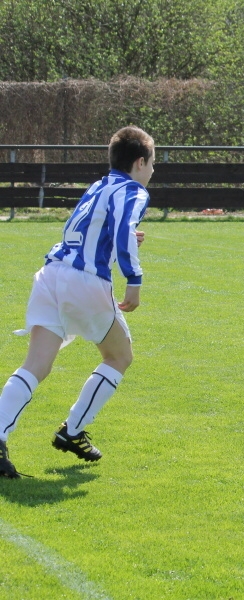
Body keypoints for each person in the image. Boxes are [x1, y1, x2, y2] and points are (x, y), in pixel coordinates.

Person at [0, 126, 154, 478]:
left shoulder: (99, 186)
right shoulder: (133, 190)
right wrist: (134, 280)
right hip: (84, 281)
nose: (152, 171)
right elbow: (120, 229)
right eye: (152, 163)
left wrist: (124, 239)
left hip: (51, 273)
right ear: (140, 162)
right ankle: (72, 431)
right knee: (120, 355)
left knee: (36, 364)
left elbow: (95, 230)